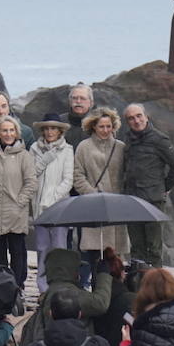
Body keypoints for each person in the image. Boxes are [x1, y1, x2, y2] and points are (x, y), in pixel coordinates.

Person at [0, 117, 37, 290]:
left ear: (17, 133)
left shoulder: (25, 156)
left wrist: (20, 202)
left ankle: (18, 287)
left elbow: (31, 183)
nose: (8, 134)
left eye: (11, 130)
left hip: (15, 212)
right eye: (4, 130)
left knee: (18, 253)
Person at [121, 103, 174, 268]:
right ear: (127, 122)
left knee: (154, 248)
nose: (136, 121)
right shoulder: (128, 139)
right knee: (136, 247)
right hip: (132, 200)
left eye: (139, 116)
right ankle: (138, 286)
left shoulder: (159, 139)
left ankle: (155, 287)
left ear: (146, 116)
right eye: (131, 118)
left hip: (153, 202)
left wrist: (165, 188)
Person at [72, 108, 130, 272]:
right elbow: (77, 175)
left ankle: (114, 292)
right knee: (94, 256)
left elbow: (128, 174)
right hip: (93, 206)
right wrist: (92, 194)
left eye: (108, 126)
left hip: (116, 207)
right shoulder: (84, 147)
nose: (105, 130)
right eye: (101, 126)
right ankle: (94, 289)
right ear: (93, 127)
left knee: (115, 258)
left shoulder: (121, 147)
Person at [30, 114, 76, 291]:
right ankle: (42, 287)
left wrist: (52, 199)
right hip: (39, 207)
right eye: (47, 128)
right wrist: (46, 157)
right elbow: (31, 173)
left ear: (60, 131)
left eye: (53, 128)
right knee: (42, 249)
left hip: (59, 208)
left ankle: (60, 285)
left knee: (59, 248)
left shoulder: (67, 150)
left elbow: (68, 180)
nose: (50, 131)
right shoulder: (33, 149)